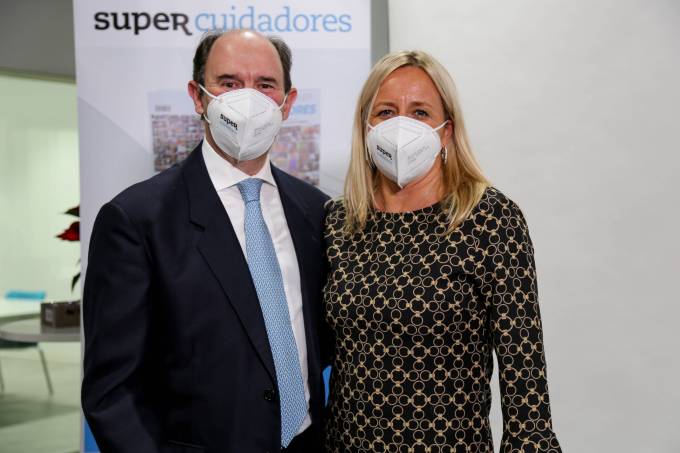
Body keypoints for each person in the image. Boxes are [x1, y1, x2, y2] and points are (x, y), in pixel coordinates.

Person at [81, 30, 329, 453]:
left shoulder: (315, 211)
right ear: (198, 97)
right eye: (229, 83)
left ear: (287, 103)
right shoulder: (136, 220)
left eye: (265, 84)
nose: (247, 99)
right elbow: (112, 391)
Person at [323, 50, 562, 452]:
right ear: (366, 126)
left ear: (447, 130)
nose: (401, 125)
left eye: (420, 112)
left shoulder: (488, 218)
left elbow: (524, 373)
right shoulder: (339, 221)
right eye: (385, 112)